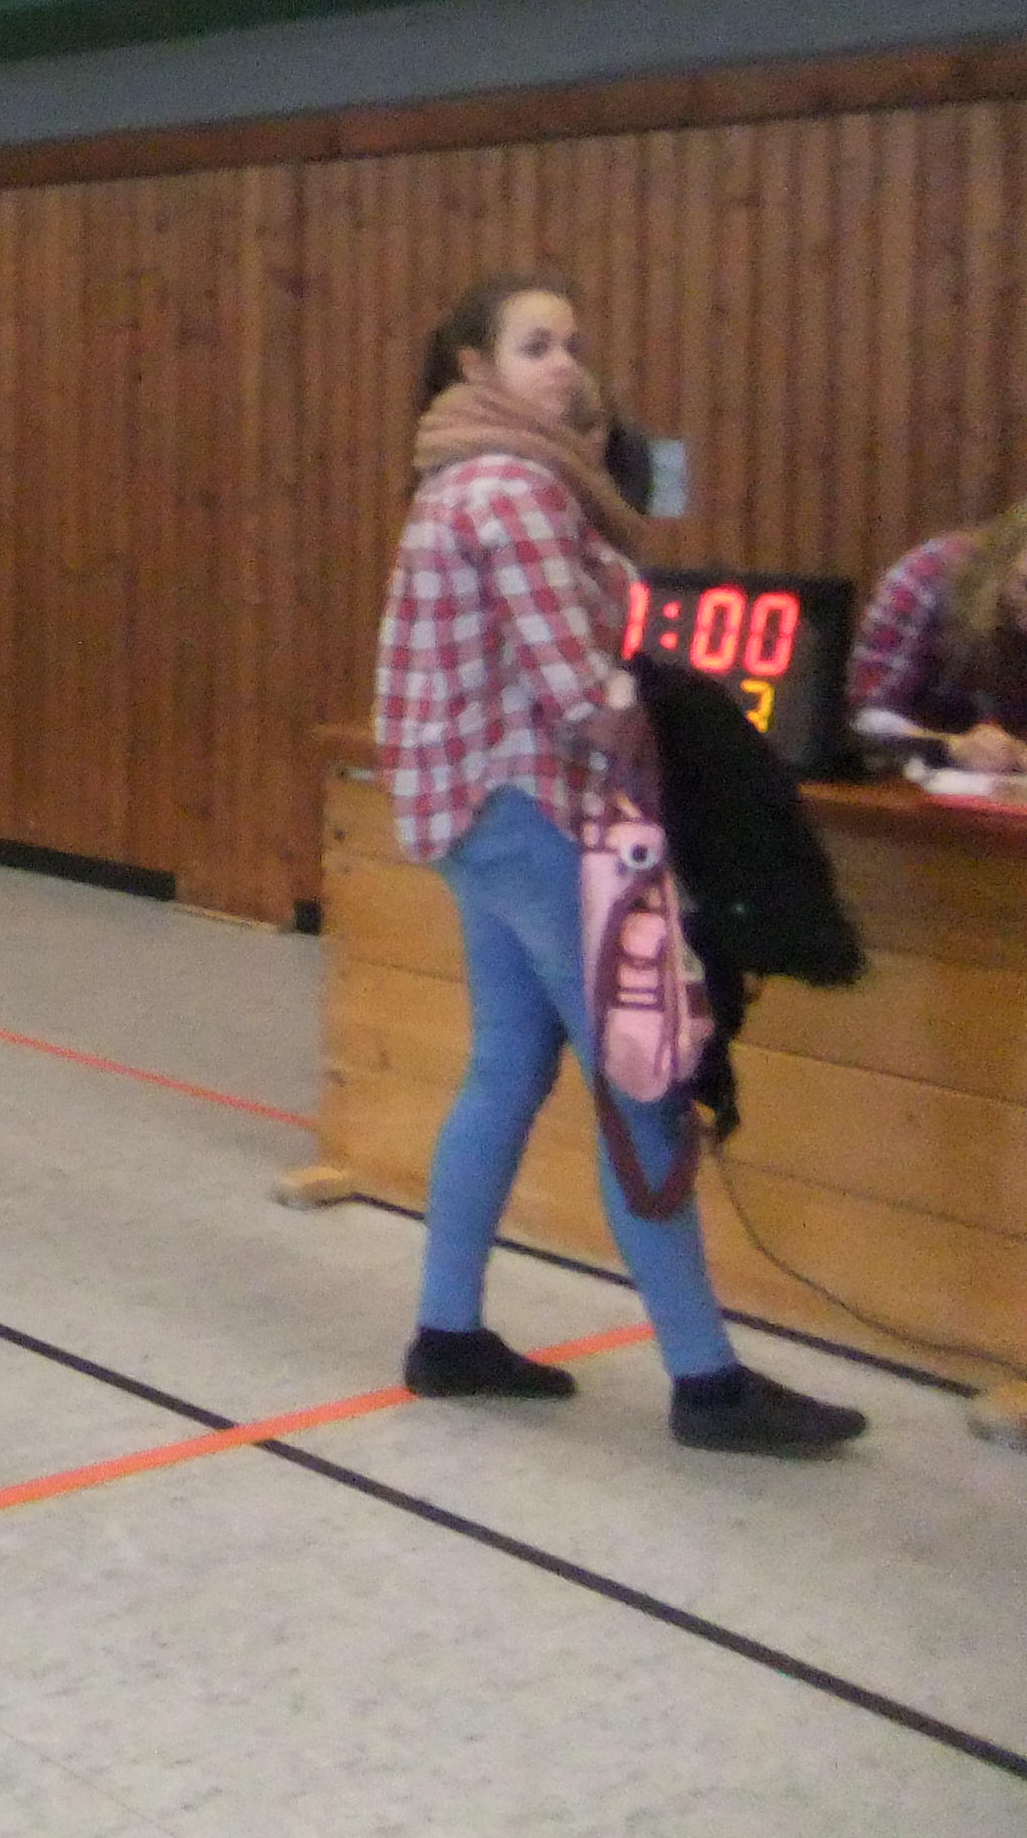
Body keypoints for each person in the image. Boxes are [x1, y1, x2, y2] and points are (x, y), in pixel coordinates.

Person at [374, 272, 863, 1454]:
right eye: (535, 345)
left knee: (507, 1064)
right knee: (642, 1075)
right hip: (526, 807)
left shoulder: (462, 478)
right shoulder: (514, 488)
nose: (565, 364)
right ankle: (706, 1383)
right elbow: (580, 689)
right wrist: (678, 749)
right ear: (474, 369)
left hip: (474, 812)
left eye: (570, 344)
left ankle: (448, 1334)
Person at [850, 496, 1027, 771]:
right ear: (1001, 562)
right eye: (1025, 586)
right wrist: (951, 746)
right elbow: (865, 717)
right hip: (908, 775)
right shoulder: (925, 579)